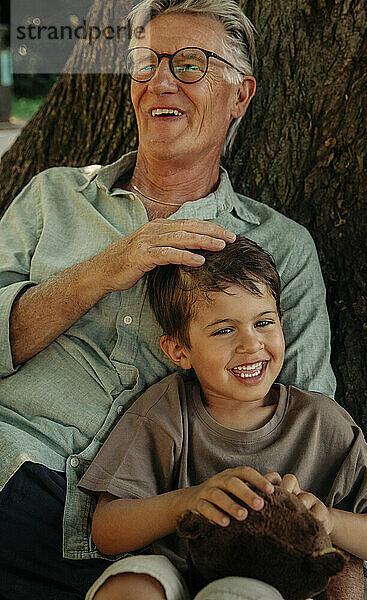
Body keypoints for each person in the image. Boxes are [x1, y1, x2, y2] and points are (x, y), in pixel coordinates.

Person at [0, 1, 336, 598]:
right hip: (14, 466)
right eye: (145, 63)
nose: (160, 82)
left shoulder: (279, 246)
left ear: (241, 94)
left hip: (155, 532)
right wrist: (107, 268)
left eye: (189, 64)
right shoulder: (53, 197)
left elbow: (300, 421)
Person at [78, 236, 367, 600]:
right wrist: (186, 501)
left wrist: (330, 520)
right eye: (224, 330)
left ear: (281, 322)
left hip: (272, 587)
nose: (250, 344)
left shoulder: (322, 422)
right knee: (131, 585)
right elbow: (105, 529)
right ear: (179, 350)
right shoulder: (165, 412)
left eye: (263, 323)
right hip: (177, 575)